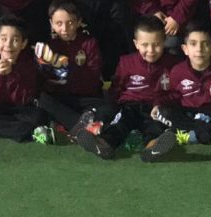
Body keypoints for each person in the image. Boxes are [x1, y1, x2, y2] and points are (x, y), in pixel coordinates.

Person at [76, 16, 180, 160]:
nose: (151, 50)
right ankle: (103, 144)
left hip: (154, 109)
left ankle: (153, 148)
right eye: (145, 45)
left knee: (155, 127)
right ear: (136, 44)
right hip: (129, 106)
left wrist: (160, 103)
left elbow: (177, 92)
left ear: (164, 42)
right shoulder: (126, 62)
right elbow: (116, 89)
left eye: (156, 44)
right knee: (120, 124)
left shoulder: (173, 64)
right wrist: (110, 109)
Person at [150, 24, 211, 155]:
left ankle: (185, 135)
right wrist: (158, 104)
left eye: (205, 44)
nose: (199, 49)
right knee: (163, 112)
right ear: (185, 49)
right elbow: (169, 95)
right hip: (187, 113)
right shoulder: (176, 71)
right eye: (193, 44)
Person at [0, 15, 53, 143]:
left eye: (15, 40)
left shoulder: (29, 64)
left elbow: (25, 98)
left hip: (21, 109)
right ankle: (29, 133)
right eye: (3, 39)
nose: (8, 45)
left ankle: (25, 130)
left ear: (23, 43)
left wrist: (12, 74)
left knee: (39, 115)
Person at [34, 0, 105, 139]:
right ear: (51, 24)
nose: (65, 28)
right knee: (43, 101)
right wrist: (46, 65)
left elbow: (93, 77)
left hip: (86, 97)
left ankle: (68, 126)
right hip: (61, 98)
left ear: (79, 22)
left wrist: (66, 70)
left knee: (108, 108)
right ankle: (84, 127)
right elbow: (44, 80)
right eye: (59, 23)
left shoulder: (89, 43)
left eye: (70, 22)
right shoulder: (48, 47)